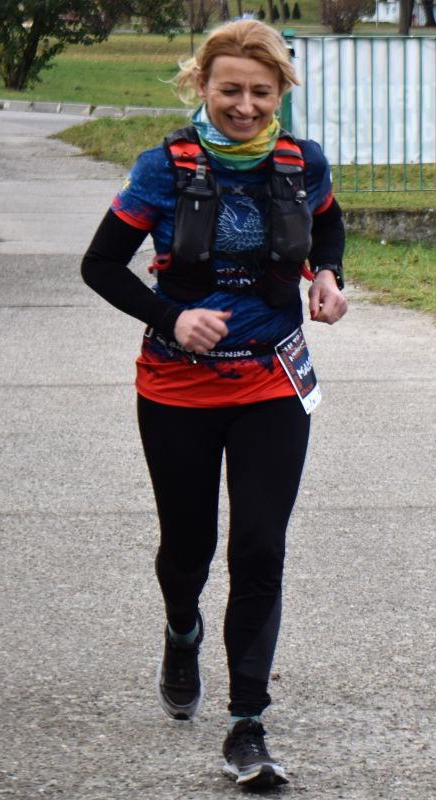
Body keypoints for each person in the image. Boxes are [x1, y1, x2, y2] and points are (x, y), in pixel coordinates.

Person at [80, 19, 348, 788]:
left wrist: (327, 277)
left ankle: (247, 724)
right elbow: (101, 264)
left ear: (281, 93)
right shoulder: (163, 167)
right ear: (202, 85)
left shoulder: (302, 161)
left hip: (272, 381)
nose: (245, 105)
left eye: (261, 92)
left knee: (260, 547)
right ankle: (181, 629)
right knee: (187, 548)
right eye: (230, 89)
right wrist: (172, 318)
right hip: (178, 388)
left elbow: (327, 224)